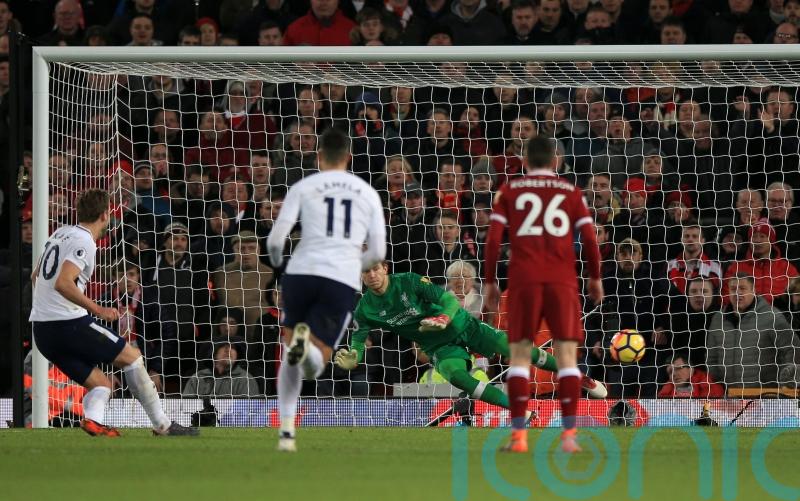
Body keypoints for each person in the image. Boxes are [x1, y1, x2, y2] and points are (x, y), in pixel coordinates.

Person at [28, 189, 197, 437]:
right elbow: (63, 282)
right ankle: (163, 425)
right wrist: (98, 309)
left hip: (42, 331)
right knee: (133, 357)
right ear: (105, 214)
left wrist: (49, 307)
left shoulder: (59, 233)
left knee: (102, 384)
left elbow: (36, 277)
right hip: (66, 325)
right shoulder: (83, 240)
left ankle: (93, 421)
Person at [335, 265, 606, 412]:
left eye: (375, 270)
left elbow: (447, 300)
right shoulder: (365, 308)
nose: (371, 276)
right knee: (456, 376)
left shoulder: (409, 280)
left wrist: (444, 318)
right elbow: (359, 339)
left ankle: (579, 377)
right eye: (365, 272)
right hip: (438, 345)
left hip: (465, 326)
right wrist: (354, 356)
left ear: (384, 268)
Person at [267, 128, 386, 452]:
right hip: (340, 279)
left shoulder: (304, 186)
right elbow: (378, 252)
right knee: (318, 360)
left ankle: (287, 434)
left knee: (288, 351)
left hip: (300, 272)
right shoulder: (367, 193)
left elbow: (276, 240)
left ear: (318, 157)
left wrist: (279, 266)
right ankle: (307, 355)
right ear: (348, 158)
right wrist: (352, 261)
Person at [484, 136, 603, 454]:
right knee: (566, 359)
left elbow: (494, 240)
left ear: (525, 161)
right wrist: (594, 278)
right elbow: (590, 240)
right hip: (561, 281)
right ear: (555, 161)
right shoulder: (571, 192)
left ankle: (519, 438)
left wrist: (490, 281)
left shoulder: (509, 191)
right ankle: (569, 438)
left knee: (520, 359)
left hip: (523, 281)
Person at [707, 274, 800, 388]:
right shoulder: (718, 319)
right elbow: (711, 358)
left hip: (766, 396)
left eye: (742, 288)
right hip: (730, 397)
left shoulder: (771, 316)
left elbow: (793, 349)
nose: (737, 293)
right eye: (733, 289)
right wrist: (719, 386)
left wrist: (787, 382)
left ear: (754, 290)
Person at [182, 341, 260, 398]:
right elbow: (186, 407)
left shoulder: (246, 379)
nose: (228, 350)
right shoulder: (198, 377)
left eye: (233, 347)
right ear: (214, 353)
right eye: (224, 346)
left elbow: (249, 413)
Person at [657, 353, 725, 398]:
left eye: (679, 368)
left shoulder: (713, 389)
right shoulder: (665, 394)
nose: (674, 374)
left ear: (691, 369)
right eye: (670, 372)